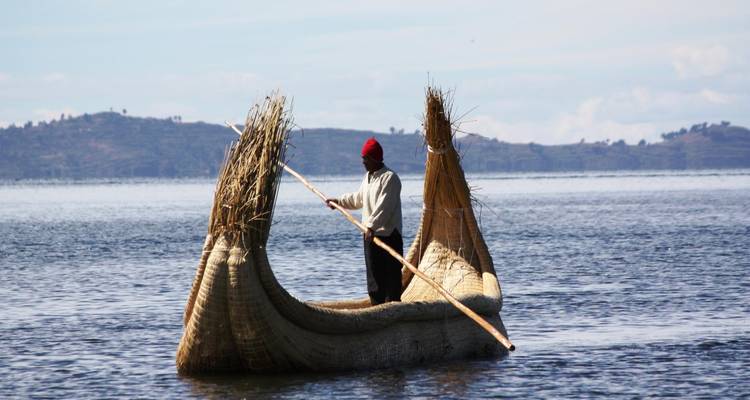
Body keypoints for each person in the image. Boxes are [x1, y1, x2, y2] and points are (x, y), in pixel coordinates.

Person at [326, 137, 403, 305]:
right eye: (363, 158)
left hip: (389, 236)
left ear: (375, 159)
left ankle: (394, 309)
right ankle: (376, 308)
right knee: (374, 280)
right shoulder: (368, 177)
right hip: (370, 235)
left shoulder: (390, 178)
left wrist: (371, 226)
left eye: (365, 159)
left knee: (391, 280)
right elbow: (358, 198)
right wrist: (339, 202)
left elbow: (385, 207)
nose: (363, 162)